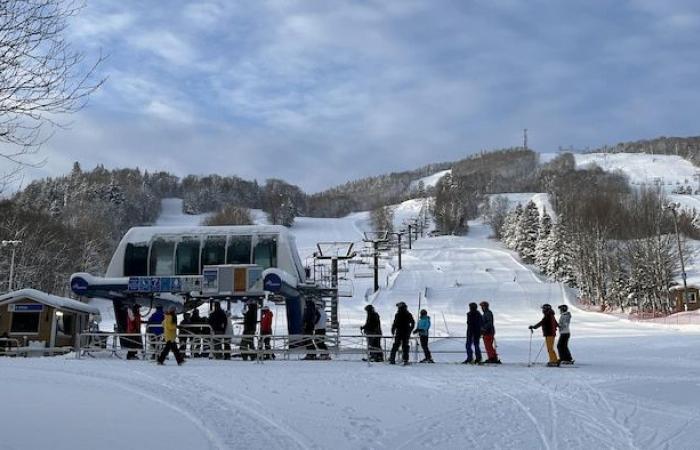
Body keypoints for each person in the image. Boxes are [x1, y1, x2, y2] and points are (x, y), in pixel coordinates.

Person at [389, 301, 415, 365]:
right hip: (406, 332)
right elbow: (413, 323)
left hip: (399, 332)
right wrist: (410, 330)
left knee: (395, 345)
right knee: (405, 346)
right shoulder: (408, 314)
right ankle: (405, 360)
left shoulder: (397, 314)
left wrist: (393, 330)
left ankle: (392, 359)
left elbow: (395, 323)